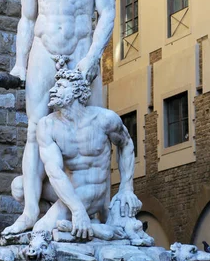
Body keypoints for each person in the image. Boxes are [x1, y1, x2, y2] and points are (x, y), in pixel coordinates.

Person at [2, 0, 117, 235]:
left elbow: (107, 14)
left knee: (92, 129)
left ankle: (97, 212)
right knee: (35, 129)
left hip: (82, 51)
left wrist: (92, 58)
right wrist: (19, 65)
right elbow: (26, 19)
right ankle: (28, 213)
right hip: (44, 52)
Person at [10, 68, 141, 241]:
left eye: (61, 86)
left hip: (92, 190)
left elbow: (126, 144)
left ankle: (67, 220)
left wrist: (126, 187)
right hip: (67, 188)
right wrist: (77, 210)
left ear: (77, 92)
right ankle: (81, 223)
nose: (53, 90)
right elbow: (54, 172)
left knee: (41, 231)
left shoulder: (104, 119)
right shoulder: (47, 125)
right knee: (19, 186)